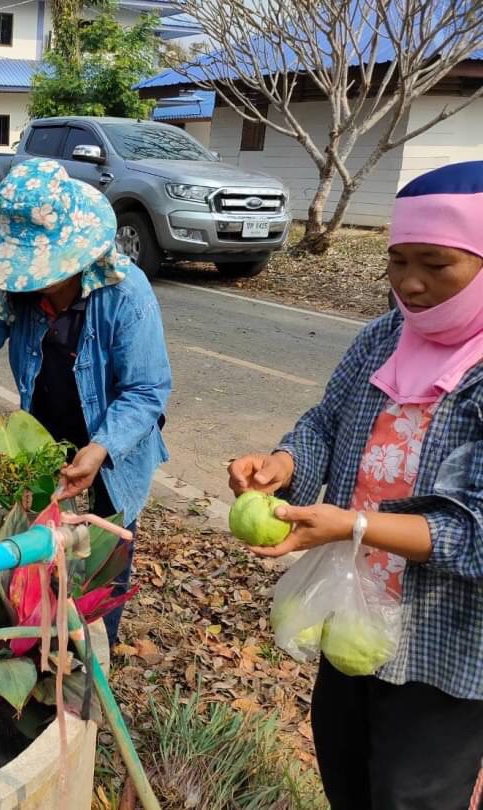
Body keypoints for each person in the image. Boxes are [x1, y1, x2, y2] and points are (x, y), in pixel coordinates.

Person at [228, 162, 483, 810]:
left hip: (444, 650)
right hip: (350, 616)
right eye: (397, 261)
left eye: (435, 263)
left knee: (409, 796)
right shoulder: (384, 337)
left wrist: (356, 525)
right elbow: (327, 422)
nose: (410, 282)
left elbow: (477, 534)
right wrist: (284, 464)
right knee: (344, 775)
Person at [0, 158, 172, 642]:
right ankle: (43, 657)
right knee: (41, 565)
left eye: (41, 271)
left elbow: (147, 391)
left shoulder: (125, 293)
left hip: (114, 458)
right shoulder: (8, 291)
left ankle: (93, 663)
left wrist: (99, 449)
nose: (29, 280)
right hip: (45, 452)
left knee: (99, 577)